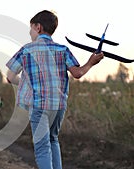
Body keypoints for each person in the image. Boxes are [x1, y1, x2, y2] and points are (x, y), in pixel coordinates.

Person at [6, 10, 104, 169]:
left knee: (42, 146)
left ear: (38, 27)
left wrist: (26, 83)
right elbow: (78, 73)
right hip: (58, 106)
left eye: (30, 29)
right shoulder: (62, 50)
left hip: (38, 105)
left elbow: (10, 77)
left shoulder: (26, 50)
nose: (30, 33)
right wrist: (91, 62)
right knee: (53, 139)